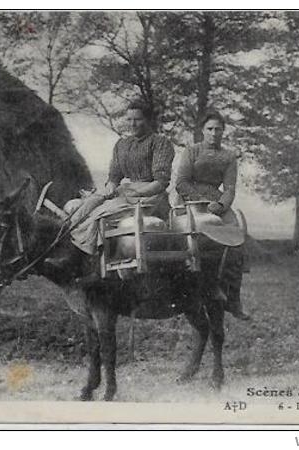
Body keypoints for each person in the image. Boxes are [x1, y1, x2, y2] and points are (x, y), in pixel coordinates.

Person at [47, 100, 174, 281]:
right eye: (129, 119)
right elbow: (114, 178)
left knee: (101, 215)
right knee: (84, 208)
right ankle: (71, 252)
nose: (132, 124)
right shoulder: (122, 145)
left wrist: (136, 193)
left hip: (151, 196)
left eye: (137, 119)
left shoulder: (160, 143)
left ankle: (86, 262)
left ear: (148, 120)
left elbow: (161, 182)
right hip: (125, 192)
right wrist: (105, 192)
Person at [174, 110, 250, 321]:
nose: (214, 133)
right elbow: (181, 182)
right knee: (186, 239)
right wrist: (201, 201)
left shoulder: (228, 156)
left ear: (223, 131)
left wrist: (221, 204)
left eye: (218, 129)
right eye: (210, 129)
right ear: (202, 130)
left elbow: (230, 188)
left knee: (236, 236)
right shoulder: (192, 151)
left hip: (217, 202)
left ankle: (232, 297)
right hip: (189, 200)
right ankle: (180, 290)